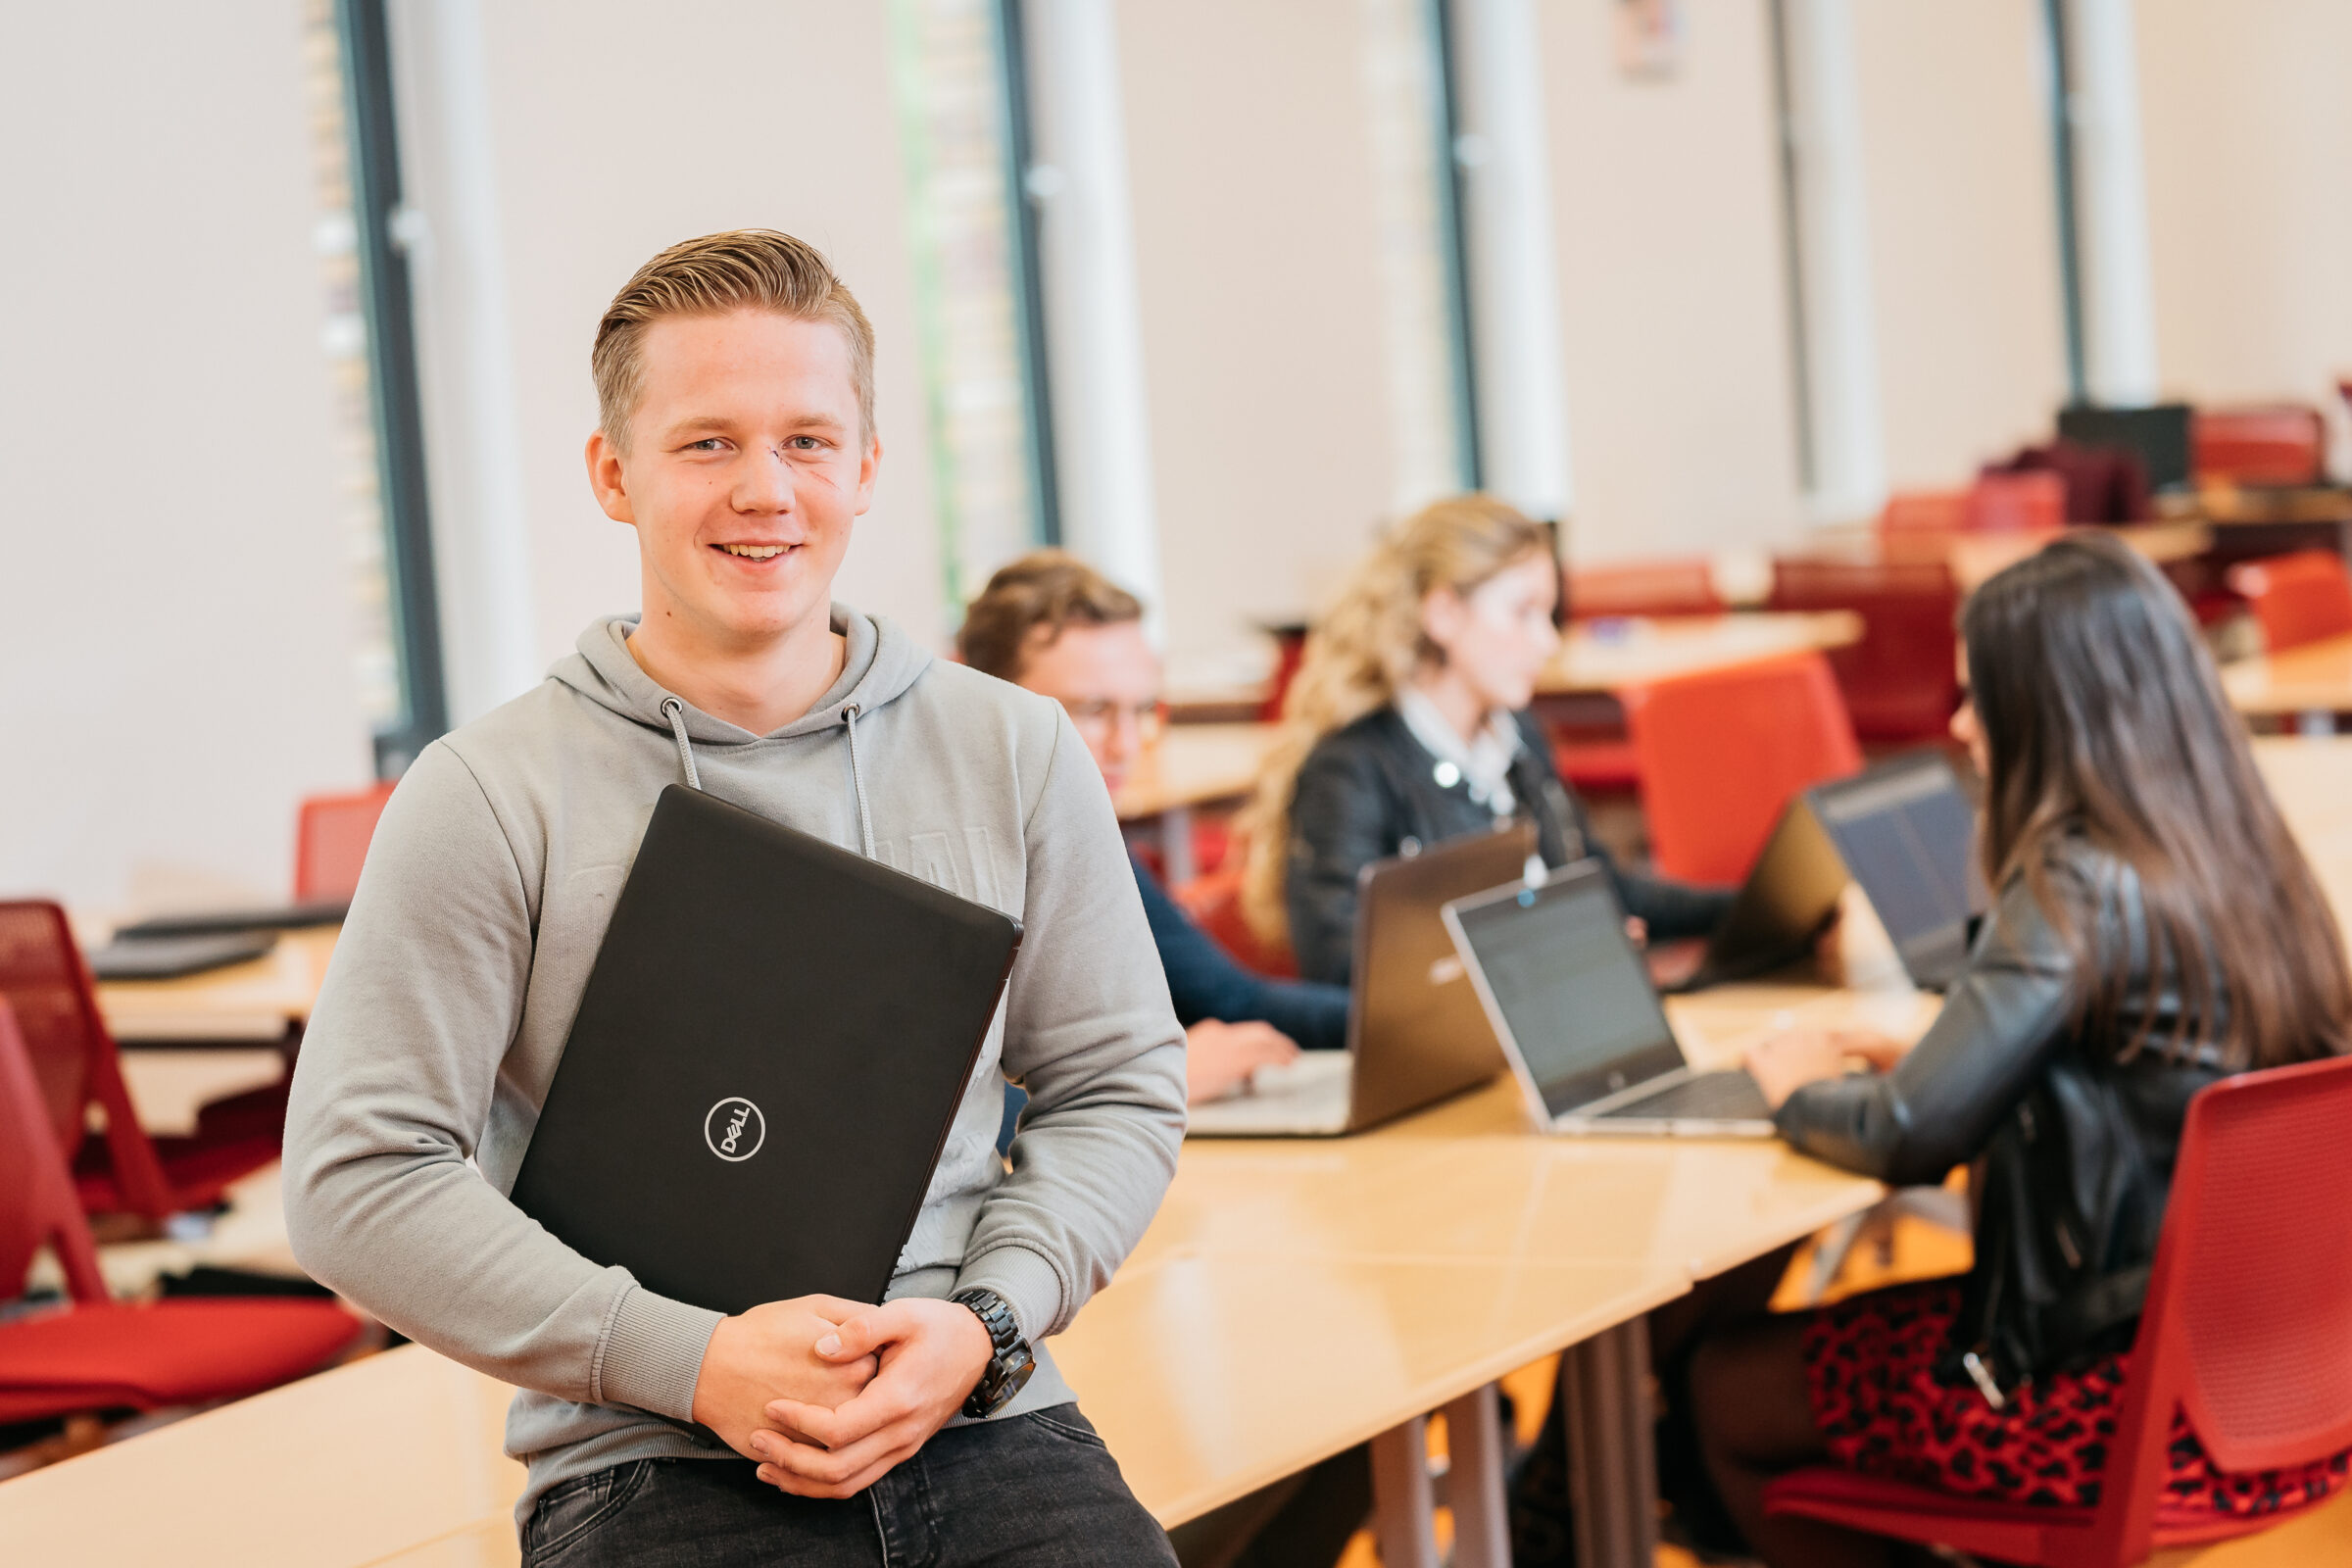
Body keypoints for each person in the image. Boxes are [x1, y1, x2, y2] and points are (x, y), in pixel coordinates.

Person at [282, 231, 1187, 1567]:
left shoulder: (1016, 751)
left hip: (985, 1415)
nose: (765, 489)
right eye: (707, 443)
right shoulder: (485, 793)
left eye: (809, 441)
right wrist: (692, 1361)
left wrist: (988, 1322)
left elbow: (1116, 1083)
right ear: (613, 473)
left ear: (867, 469)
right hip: (648, 1453)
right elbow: (359, 1178)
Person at [1688, 534, 2352, 1568]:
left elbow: (1908, 1131)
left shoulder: (2073, 883)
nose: (1958, 727)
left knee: (1721, 1388)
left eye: (1978, 698)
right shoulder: (2244, 851)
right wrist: (1943, 1035)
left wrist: (1794, 1086)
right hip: (2278, 1384)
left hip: (2102, 1406)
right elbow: (2142, 1050)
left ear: (2051, 710)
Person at [1240, 493, 1733, 985]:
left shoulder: (1516, 737)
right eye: (1523, 613)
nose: (1548, 642)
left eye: (1549, 616)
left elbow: (1601, 886)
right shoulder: (1350, 770)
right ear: (1443, 615)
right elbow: (1344, 966)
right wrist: (1551, 949)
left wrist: (1751, 906)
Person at [959, 551, 1349, 1104]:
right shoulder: (943, 862)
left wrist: (1419, 1019)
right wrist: (1159, 1080)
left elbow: (1230, 1000)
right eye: (1091, 710)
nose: (1126, 748)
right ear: (983, 702)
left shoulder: (1083, 837)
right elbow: (936, 1119)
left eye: (1141, 710)